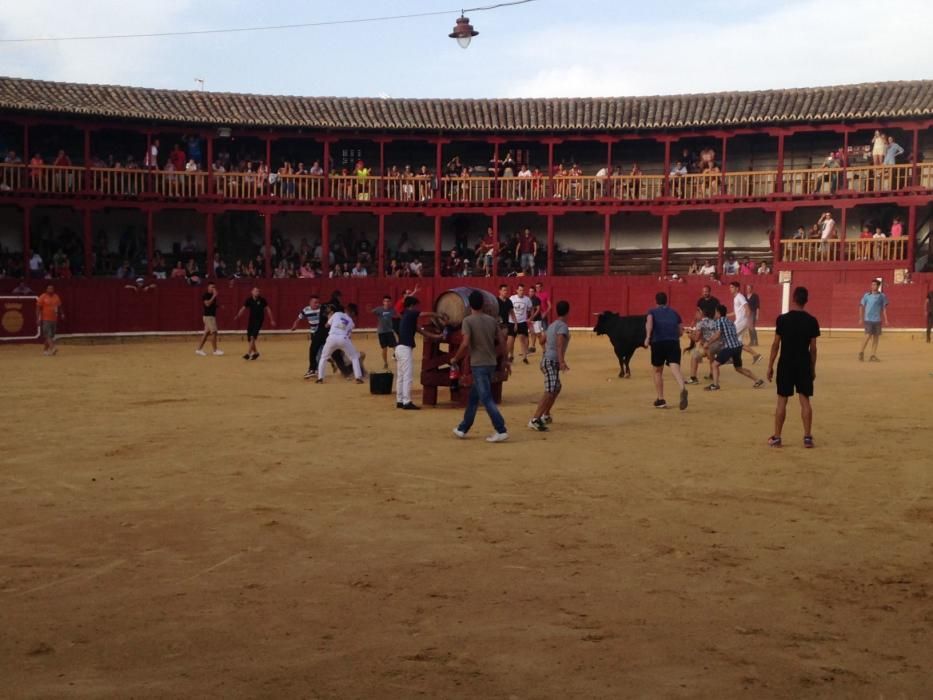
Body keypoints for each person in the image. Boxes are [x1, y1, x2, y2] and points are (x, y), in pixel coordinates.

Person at [450, 290, 510, 442]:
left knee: (486, 398)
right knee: (473, 398)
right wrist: (505, 360)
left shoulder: (468, 321)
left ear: (469, 304)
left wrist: (455, 358)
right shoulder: (492, 320)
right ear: (483, 304)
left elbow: (465, 343)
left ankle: (501, 429)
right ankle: (463, 428)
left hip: (478, 363)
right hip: (491, 362)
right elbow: (502, 341)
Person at [766, 286, 819, 448]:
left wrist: (770, 365)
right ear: (806, 301)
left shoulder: (782, 319)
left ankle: (777, 437)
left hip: (786, 363)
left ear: (793, 299)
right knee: (805, 400)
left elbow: (776, 345)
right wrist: (812, 367)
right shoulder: (811, 320)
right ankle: (807, 437)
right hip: (803, 362)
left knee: (782, 400)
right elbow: (813, 348)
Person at [394, 296, 443, 410]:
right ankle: (407, 402)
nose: (417, 308)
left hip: (399, 348)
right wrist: (438, 315)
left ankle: (400, 400)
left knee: (401, 376)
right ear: (412, 306)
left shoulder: (407, 317)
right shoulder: (411, 313)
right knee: (407, 376)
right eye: (416, 306)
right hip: (405, 349)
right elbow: (424, 314)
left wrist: (437, 336)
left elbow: (422, 332)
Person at [529, 300, 570, 432]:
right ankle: (535, 419)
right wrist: (561, 360)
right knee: (550, 389)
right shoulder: (562, 326)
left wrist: (545, 350)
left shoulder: (552, 325)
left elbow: (541, 340)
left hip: (548, 360)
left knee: (556, 387)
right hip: (551, 361)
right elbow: (559, 344)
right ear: (568, 312)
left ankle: (545, 415)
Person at [705, 305, 765, 391]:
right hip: (737, 347)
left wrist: (708, 342)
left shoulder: (719, 321)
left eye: (715, 312)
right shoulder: (731, 322)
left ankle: (715, 385)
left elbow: (717, 335)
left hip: (730, 347)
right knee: (738, 368)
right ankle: (757, 380)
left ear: (718, 313)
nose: (715, 314)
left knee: (714, 365)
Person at [644, 292, 687, 410]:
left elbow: (649, 323)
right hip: (673, 342)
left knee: (657, 371)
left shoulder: (652, 312)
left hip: (658, 342)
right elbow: (680, 331)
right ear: (666, 301)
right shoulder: (674, 313)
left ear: (656, 301)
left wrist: (647, 337)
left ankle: (661, 399)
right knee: (674, 366)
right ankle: (682, 386)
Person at [316, 304, 363, 384]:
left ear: (345, 310)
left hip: (332, 338)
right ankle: (358, 378)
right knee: (354, 357)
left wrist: (329, 317)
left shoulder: (336, 314)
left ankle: (320, 378)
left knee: (323, 357)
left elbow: (326, 325)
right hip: (344, 339)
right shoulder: (351, 322)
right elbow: (348, 334)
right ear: (353, 313)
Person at [234, 286, 275, 360]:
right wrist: (238, 315)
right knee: (250, 338)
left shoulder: (262, 300)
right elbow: (243, 309)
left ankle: (248, 353)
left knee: (253, 336)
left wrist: (271, 319)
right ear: (252, 292)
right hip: (251, 320)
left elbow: (268, 309)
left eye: (258, 291)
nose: (257, 292)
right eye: (255, 291)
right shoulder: (249, 300)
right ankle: (256, 353)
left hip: (259, 320)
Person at [729, 281, 762, 362]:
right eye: (730, 287)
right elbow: (736, 312)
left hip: (741, 322)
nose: (730, 289)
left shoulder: (739, 297)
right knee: (738, 343)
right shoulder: (736, 297)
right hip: (741, 321)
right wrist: (724, 315)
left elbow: (748, 309)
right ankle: (756, 355)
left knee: (729, 337)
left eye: (732, 287)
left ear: (737, 288)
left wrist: (746, 321)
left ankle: (730, 358)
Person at [290, 294, 322, 379]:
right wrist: (295, 325)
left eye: (318, 302)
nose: (317, 304)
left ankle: (315, 370)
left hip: (322, 333)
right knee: (318, 352)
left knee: (318, 352)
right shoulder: (306, 310)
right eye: (315, 302)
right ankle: (316, 369)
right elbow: (299, 318)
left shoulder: (322, 309)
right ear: (310, 303)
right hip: (313, 333)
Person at [858, 279, 889, 361]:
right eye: (872, 285)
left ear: (878, 286)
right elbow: (861, 306)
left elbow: (884, 309)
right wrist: (861, 318)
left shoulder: (882, 296)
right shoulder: (866, 295)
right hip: (868, 319)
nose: (872, 286)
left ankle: (872, 355)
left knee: (876, 338)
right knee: (867, 335)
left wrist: (886, 319)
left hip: (877, 319)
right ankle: (861, 352)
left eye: (874, 285)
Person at [195, 282, 223, 356]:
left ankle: (199, 349)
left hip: (211, 316)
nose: (213, 288)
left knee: (206, 333)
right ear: (208, 288)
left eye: (214, 287)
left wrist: (219, 306)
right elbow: (207, 304)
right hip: (208, 317)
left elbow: (212, 305)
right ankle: (215, 350)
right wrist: (214, 296)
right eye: (211, 287)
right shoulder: (206, 295)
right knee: (214, 332)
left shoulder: (211, 296)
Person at [35, 284, 64, 356]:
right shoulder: (43, 296)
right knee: (47, 334)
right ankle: (52, 347)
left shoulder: (56, 296)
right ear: (46, 290)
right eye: (49, 289)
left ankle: (45, 351)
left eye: (52, 288)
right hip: (45, 318)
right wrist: (38, 318)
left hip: (54, 319)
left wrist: (62, 314)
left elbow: (59, 306)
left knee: (51, 335)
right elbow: (38, 308)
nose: (50, 290)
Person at [509, 283, 534, 364]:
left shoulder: (527, 299)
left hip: (522, 322)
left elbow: (531, 309)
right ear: (517, 290)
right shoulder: (512, 298)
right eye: (520, 290)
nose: (521, 292)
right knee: (511, 340)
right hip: (512, 322)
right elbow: (509, 309)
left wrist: (530, 318)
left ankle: (524, 357)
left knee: (523, 340)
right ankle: (511, 355)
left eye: (523, 290)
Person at [372, 295, 397, 370]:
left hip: (389, 331)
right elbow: (372, 311)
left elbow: (398, 315)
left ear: (390, 302)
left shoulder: (392, 310)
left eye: (388, 301)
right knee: (384, 348)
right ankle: (385, 363)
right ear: (383, 302)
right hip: (381, 332)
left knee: (395, 347)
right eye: (385, 301)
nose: (387, 302)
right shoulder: (379, 309)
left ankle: (400, 360)